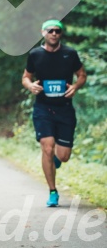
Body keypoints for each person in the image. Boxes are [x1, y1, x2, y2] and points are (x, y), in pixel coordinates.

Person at [22, 19, 87, 207]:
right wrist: (30, 85)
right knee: (47, 146)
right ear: (43, 33)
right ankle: (52, 191)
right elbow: (26, 76)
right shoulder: (35, 54)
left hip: (65, 109)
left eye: (57, 31)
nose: (54, 34)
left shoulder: (70, 53)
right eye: (50, 31)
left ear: (61, 34)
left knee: (64, 156)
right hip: (43, 108)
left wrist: (75, 86)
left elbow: (82, 75)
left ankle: (54, 161)